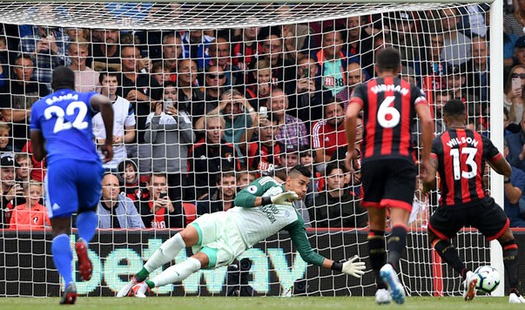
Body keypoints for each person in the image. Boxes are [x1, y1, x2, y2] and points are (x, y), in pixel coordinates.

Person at [116, 165, 366, 298]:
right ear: (288, 181)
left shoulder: (294, 218)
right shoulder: (268, 183)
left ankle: (145, 286)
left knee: (194, 263)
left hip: (235, 244)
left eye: (306, 186)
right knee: (180, 237)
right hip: (224, 220)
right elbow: (240, 199)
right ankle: (136, 278)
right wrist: (271, 201)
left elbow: (308, 254)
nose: (303, 190)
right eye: (301, 184)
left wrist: (340, 266)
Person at [345, 47, 434, 305]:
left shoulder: (364, 88)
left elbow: (351, 115)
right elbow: (427, 122)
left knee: (375, 224)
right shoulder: (411, 89)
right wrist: (426, 159)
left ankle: (381, 289)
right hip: (402, 159)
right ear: (399, 68)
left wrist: (352, 149)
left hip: (372, 159)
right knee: (399, 219)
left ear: (375, 67)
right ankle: (392, 266)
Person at [422, 99, 525, 304]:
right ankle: (514, 292)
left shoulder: (437, 142)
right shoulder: (480, 139)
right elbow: (506, 169)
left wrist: (426, 189)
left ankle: (466, 273)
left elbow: (429, 179)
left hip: (452, 205)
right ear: (466, 116)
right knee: (507, 238)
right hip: (479, 203)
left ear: (444, 119)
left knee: (434, 234)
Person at [29, 65, 114, 305]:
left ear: (52, 85)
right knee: (88, 211)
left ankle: (69, 283)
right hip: (89, 162)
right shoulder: (85, 98)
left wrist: (51, 141)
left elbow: (36, 154)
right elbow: (106, 103)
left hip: (60, 165)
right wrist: (108, 142)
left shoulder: (39, 106)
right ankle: (84, 242)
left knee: (60, 230)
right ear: (74, 84)